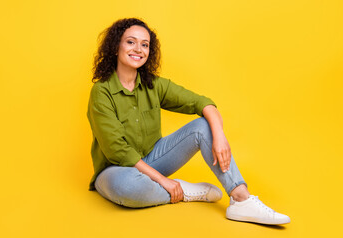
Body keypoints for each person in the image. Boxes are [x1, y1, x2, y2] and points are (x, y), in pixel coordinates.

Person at [87, 18, 290, 225]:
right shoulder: (101, 92)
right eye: (130, 42)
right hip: (116, 170)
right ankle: (183, 190)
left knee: (204, 125)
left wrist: (219, 136)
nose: (138, 49)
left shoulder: (153, 84)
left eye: (145, 44)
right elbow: (117, 150)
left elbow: (202, 103)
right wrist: (164, 181)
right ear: (115, 47)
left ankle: (241, 199)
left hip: (153, 160)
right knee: (129, 188)